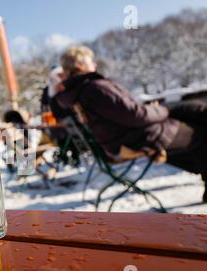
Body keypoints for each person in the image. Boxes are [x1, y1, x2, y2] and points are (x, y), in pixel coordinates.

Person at [54, 45, 207, 202]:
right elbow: (135, 115)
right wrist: (161, 110)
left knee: (193, 111)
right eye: (91, 61)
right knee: (200, 129)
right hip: (138, 137)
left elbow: (126, 113)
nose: (95, 64)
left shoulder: (75, 92)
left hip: (120, 138)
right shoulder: (94, 88)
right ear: (80, 65)